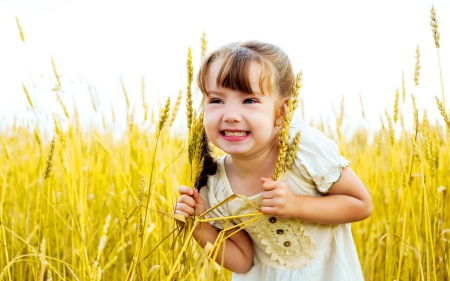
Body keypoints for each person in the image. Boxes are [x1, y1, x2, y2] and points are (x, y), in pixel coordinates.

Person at [175, 41, 372, 280]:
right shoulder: (215, 185)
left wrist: (296, 205)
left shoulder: (302, 149)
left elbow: (361, 204)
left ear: (281, 111)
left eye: (249, 100)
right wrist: (199, 228)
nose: (231, 116)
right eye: (216, 100)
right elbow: (242, 262)